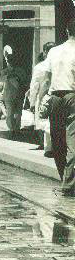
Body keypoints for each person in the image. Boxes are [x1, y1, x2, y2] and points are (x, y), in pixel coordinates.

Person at [43, 18, 75, 196]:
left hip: (55, 96)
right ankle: (68, 184)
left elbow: (47, 79)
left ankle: (64, 177)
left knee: (57, 140)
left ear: (67, 32)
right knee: (72, 141)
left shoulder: (53, 51)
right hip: (72, 96)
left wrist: (41, 100)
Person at [29, 42, 56, 156]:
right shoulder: (60, 63)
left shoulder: (39, 67)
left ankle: (48, 148)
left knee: (45, 123)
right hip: (59, 96)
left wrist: (32, 102)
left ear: (45, 52)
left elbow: (34, 86)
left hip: (44, 97)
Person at [0, 45, 28, 134]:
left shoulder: (20, 71)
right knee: (11, 113)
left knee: (16, 113)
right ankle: (12, 128)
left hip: (17, 94)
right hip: (9, 95)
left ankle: (15, 128)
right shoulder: (4, 71)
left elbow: (24, 81)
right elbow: (1, 80)